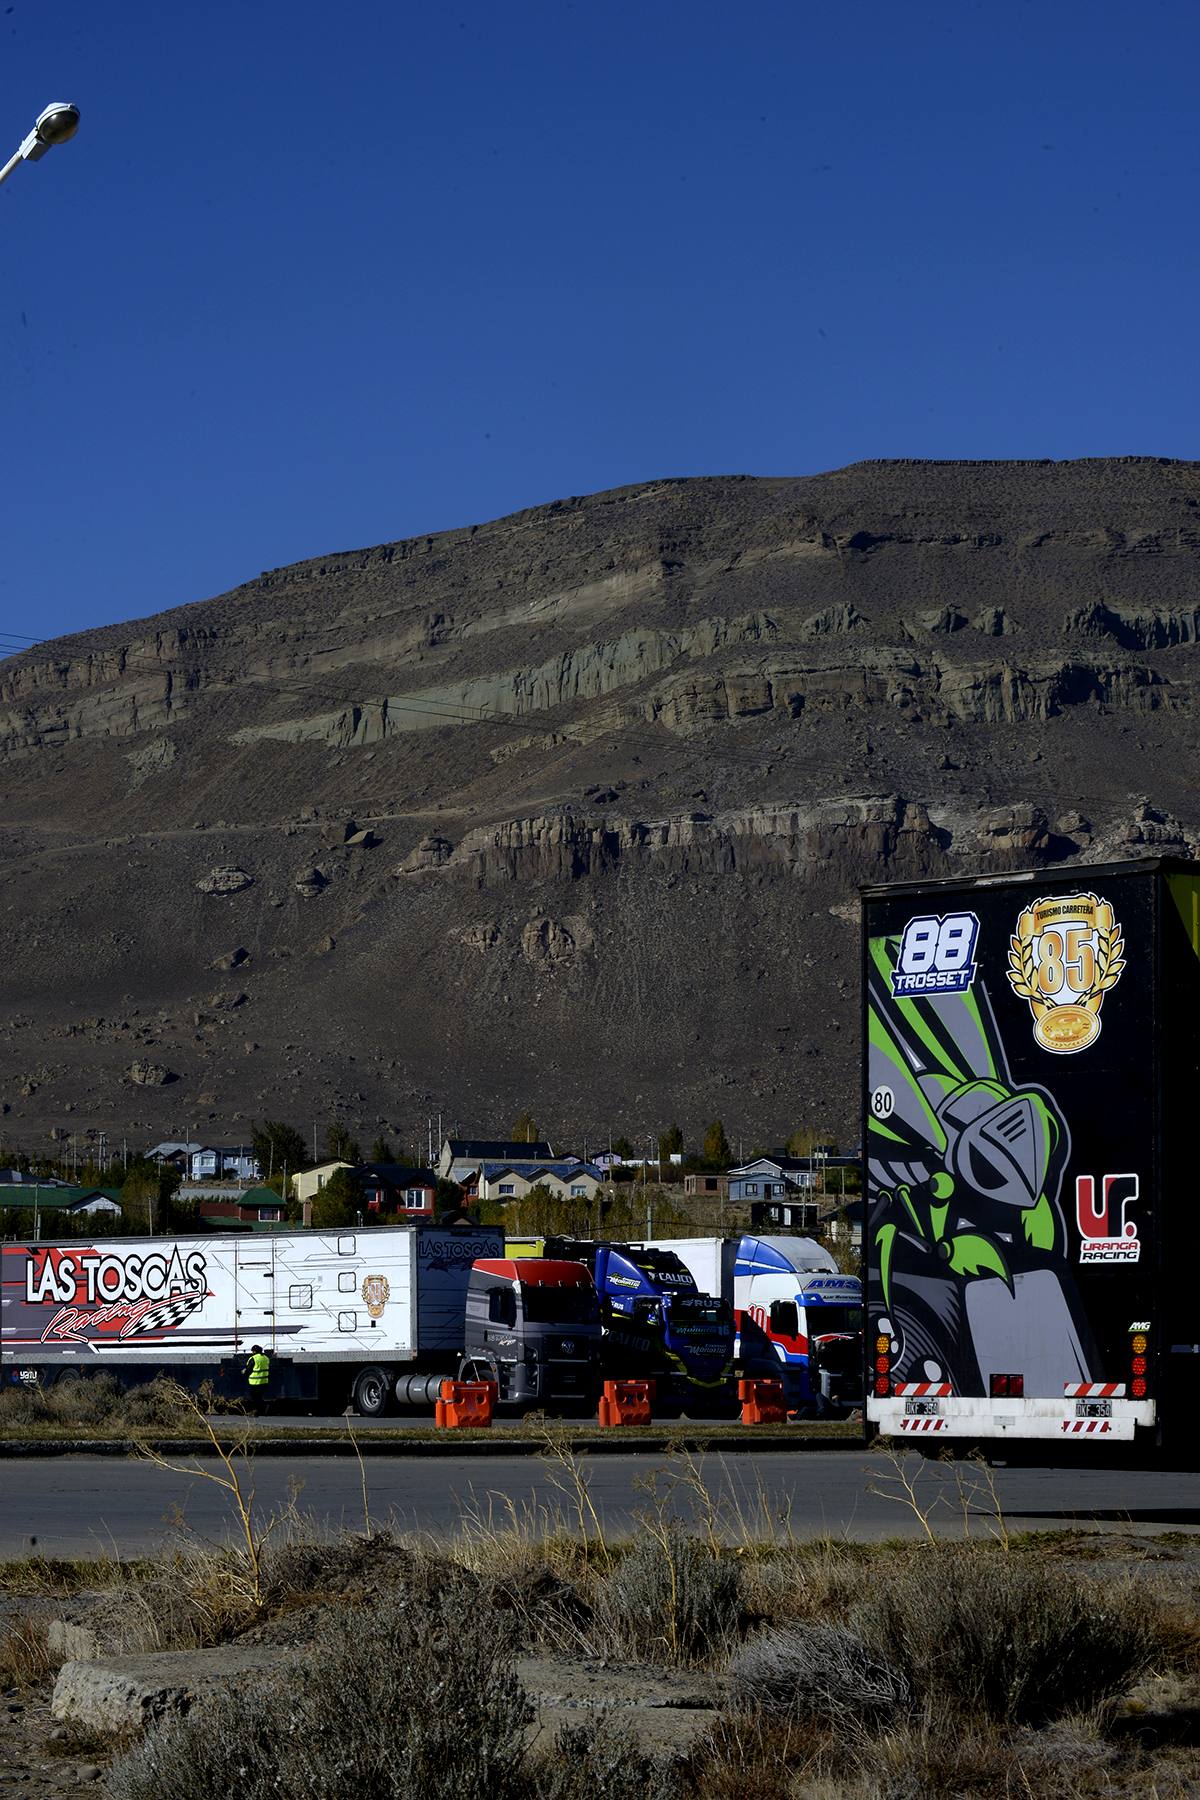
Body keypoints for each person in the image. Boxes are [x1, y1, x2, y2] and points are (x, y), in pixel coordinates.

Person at [244, 1343, 271, 1413]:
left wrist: (244, 1372)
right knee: (259, 1397)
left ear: (254, 1351)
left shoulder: (253, 1358)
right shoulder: (266, 1358)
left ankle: (258, 1409)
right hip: (264, 1381)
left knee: (253, 1397)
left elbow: (248, 1369)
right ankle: (261, 1409)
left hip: (254, 1382)